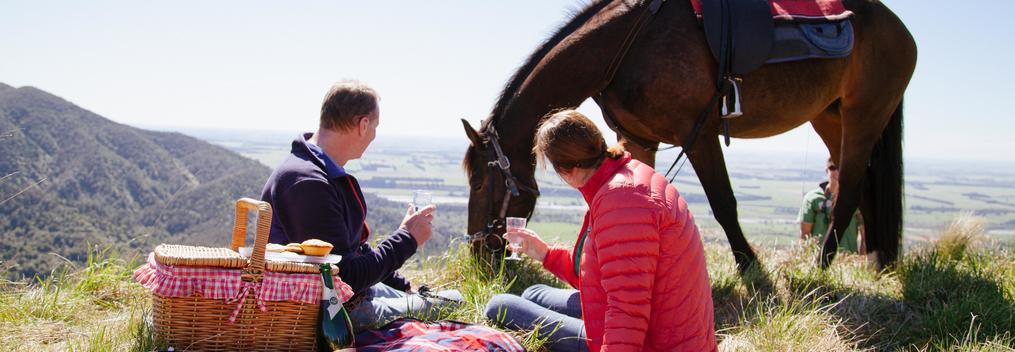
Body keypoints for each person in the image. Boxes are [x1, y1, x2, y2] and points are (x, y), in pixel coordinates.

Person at [484, 110, 717, 351]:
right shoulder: (626, 174)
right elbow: (609, 272)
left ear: (567, 170)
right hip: (665, 321)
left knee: (499, 305)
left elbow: (628, 310)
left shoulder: (621, 202)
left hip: (656, 341)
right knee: (533, 293)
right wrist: (545, 254)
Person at [260, 80, 462, 330]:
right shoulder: (307, 182)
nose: (374, 135)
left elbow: (354, 251)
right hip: (329, 313)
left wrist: (401, 285)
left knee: (431, 298)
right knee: (454, 301)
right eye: (375, 126)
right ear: (363, 124)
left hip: (345, 297)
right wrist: (407, 238)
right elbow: (345, 278)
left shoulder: (314, 170)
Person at [798, 158, 866, 254]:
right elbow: (804, 235)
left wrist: (862, 263)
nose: (837, 171)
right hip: (817, 258)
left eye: (840, 167)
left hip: (847, 260)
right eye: (832, 168)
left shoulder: (856, 200)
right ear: (827, 171)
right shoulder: (813, 198)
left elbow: (865, 237)